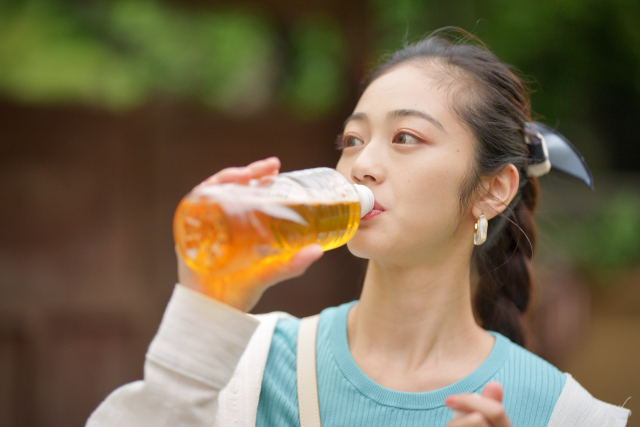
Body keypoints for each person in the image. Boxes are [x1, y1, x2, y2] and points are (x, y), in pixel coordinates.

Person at [86, 29, 631, 427]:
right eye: (352, 140)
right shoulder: (251, 360)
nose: (361, 164)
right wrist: (203, 307)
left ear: (493, 190)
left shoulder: (570, 414)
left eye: (406, 138)